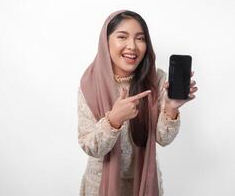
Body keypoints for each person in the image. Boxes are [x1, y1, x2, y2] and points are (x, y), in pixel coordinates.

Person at [78, 10, 198, 196]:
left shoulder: (156, 79)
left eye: (140, 39)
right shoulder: (90, 83)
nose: (132, 46)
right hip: (100, 186)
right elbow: (90, 146)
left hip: (144, 183)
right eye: (122, 37)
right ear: (106, 41)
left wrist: (171, 108)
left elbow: (163, 139)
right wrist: (114, 120)